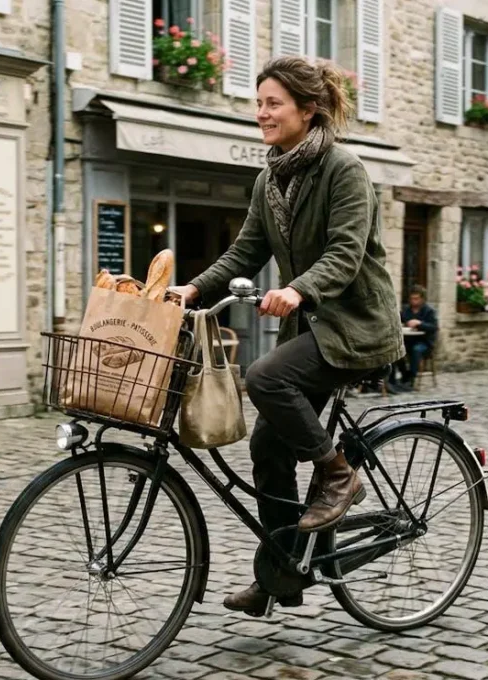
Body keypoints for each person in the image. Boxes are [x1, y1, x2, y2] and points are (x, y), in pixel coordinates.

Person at [168, 56, 405, 617]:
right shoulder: (270, 176)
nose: (261, 114)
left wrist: (298, 290)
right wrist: (193, 290)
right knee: (267, 447)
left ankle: (337, 474)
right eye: (258, 103)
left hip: (356, 326)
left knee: (264, 376)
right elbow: (245, 250)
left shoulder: (344, 170)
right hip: (314, 327)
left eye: (273, 103)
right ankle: (283, 575)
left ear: (308, 109)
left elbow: (346, 253)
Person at [388, 286, 438, 392]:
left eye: (416, 299)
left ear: (422, 299)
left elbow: (434, 327)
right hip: (408, 340)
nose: (414, 301)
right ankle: (400, 376)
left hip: (424, 342)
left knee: (416, 349)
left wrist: (420, 323)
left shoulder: (429, 311)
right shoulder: (407, 310)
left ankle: (411, 378)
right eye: (412, 299)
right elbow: (399, 320)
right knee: (396, 349)